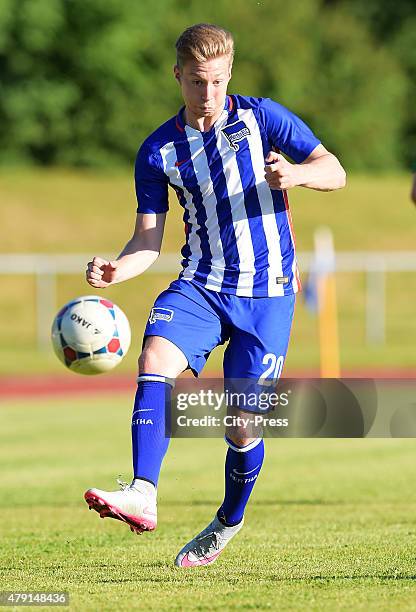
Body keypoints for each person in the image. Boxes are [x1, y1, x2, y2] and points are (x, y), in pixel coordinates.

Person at [84, 23, 346, 568]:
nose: (209, 94)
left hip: (268, 292)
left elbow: (335, 171)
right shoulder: (159, 151)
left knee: (240, 422)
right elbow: (147, 239)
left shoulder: (262, 117)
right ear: (177, 75)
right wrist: (116, 269)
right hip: (201, 284)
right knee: (154, 355)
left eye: (219, 81)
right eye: (198, 82)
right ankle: (143, 493)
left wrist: (295, 175)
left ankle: (228, 520)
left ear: (230, 75)